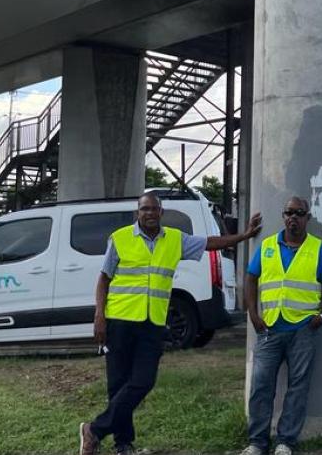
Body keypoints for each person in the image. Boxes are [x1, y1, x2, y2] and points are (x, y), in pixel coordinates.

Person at [78, 192, 263, 455]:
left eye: (154, 209)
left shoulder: (174, 239)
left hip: (152, 322)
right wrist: (99, 316)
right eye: (145, 209)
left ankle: (94, 430)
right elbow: (104, 278)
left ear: (161, 213)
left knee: (143, 381)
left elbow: (209, 243)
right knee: (118, 384)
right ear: (137, 213)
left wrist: (242, 236)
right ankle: (123, 443)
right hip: (119, 320)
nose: (150, 213)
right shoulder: (120, 239)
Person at [240, 197, 322, 455]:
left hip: (303, 330)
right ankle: (257, 443)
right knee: (261, 386)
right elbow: (251, 279)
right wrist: (252, 313)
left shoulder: (318, 249)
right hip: (269, 329)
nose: (293, 217)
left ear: (308, 217)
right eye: (288, 212)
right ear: (283, 216)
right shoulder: (267, 246)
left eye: (299, 213)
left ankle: (285, 441)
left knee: (298, 387)